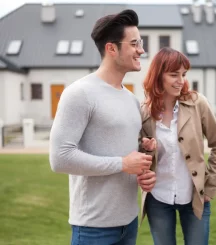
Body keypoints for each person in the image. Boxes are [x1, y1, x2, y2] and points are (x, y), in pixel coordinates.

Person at [49, 9, 156, 245]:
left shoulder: (130, 99)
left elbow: (122, 150)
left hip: (129, 223)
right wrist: (123, 164)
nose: (142, 50)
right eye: (135, 43)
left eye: (141, 42)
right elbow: (60, 158)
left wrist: (142, 162)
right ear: (111, 48)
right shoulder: (79, 94)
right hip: (93, 228)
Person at [139, 47, 216, 245]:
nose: (181, 80)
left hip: (195, 196)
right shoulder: (144, 111)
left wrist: (211, 186)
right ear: (158, 75)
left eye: (183, 74)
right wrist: (145, 148)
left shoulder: (198, 103)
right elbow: (139, 155)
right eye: (174, 74)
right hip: (157, 196)